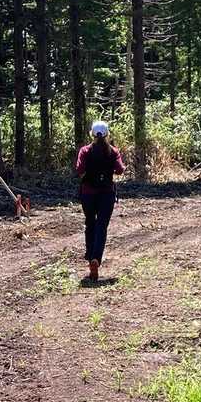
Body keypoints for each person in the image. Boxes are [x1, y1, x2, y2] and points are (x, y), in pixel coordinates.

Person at [75, 120, 125, 281]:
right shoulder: (113, 151)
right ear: (107, 134)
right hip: (106, 194)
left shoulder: (85, 151)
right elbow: (120, 170)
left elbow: (79, 170)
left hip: (88, 194)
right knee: (101, 226)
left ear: (92, 134)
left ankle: (91, 257)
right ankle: (96, 258)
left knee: (90, 224)